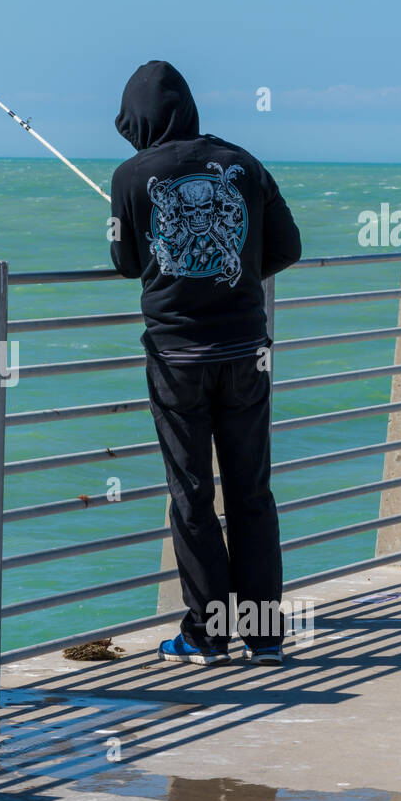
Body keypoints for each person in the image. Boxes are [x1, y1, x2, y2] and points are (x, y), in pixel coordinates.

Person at [110, 60, 302, 666]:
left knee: (192, 495)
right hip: (248, 352)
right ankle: (264, 633)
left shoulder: (130, 176)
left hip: (177, 358)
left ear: (138, 120)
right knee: (252, 492)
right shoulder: (244, 164)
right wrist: (235, 278)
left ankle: (207, 636)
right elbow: (287, 247)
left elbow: (124, 262)